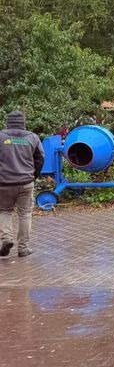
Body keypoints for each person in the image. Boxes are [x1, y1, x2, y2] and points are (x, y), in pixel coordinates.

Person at [0, 110, 43, 258]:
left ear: (8, 122)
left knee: (4, 211)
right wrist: (33, 176)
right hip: (26, 182)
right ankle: (23, 248)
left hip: (3, 183)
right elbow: (40, 159)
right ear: (23, 123)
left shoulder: (1, 137)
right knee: (24, 214)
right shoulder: (33, 137)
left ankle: (6, 239)